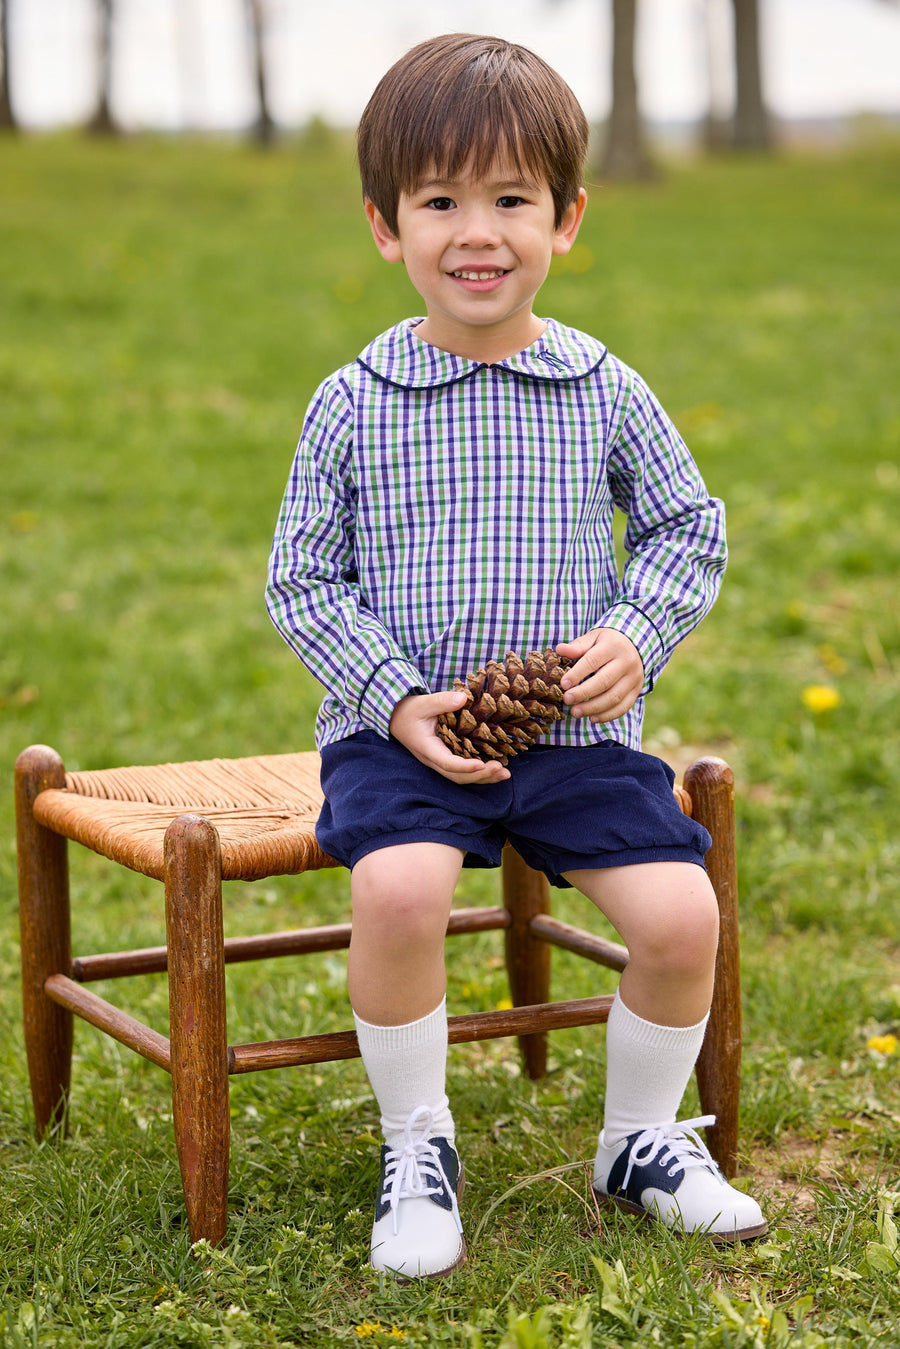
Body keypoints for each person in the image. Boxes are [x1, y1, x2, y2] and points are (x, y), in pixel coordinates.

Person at [266, 33, 766, 1280]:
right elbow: (300, 578)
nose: (476, 232)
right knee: (397, 892)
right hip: (405, 738)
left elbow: (687, 525)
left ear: (567, 216)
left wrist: (635, 636)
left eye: (510, 200)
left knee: (681, 911)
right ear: (386, 225)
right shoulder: (354, 399)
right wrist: (395, 698)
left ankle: (641, 1137)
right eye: (440, 201)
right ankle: (416, 1139)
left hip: (578, 740)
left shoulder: (600, 386)